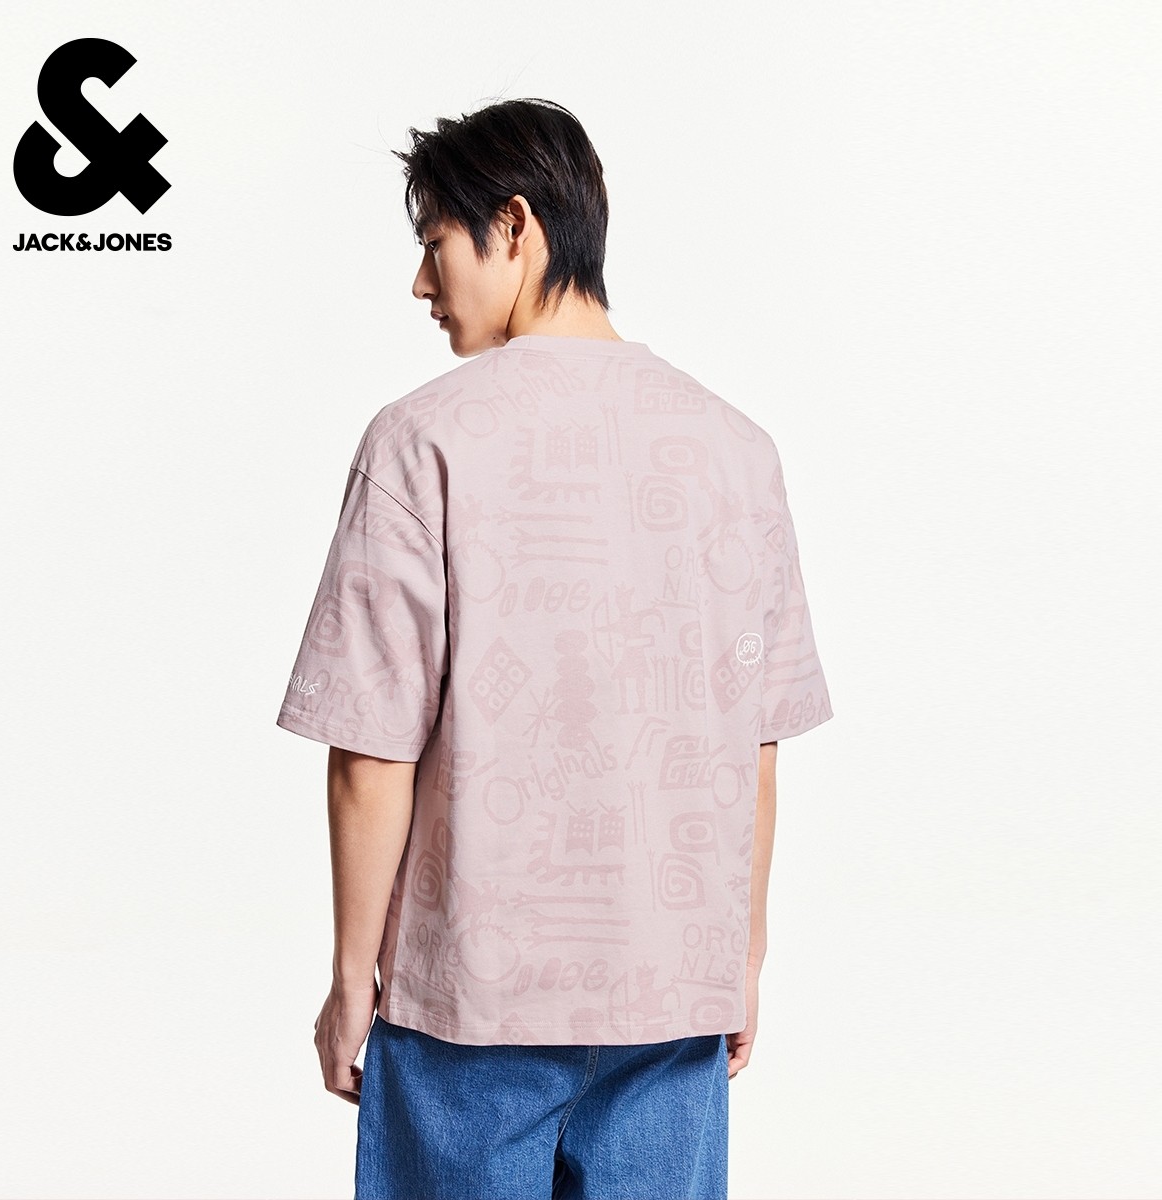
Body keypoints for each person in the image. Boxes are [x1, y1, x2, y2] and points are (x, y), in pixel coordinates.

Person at [275, 97, 834, 1200]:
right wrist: (743, 958)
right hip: (671, 1002)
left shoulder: (421, 440)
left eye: (437, 242)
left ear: (516, 226)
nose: (424, 284)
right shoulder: (737, 450)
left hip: (468, 1011)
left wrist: (349, 979)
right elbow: (754, 740)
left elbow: (372, 752)